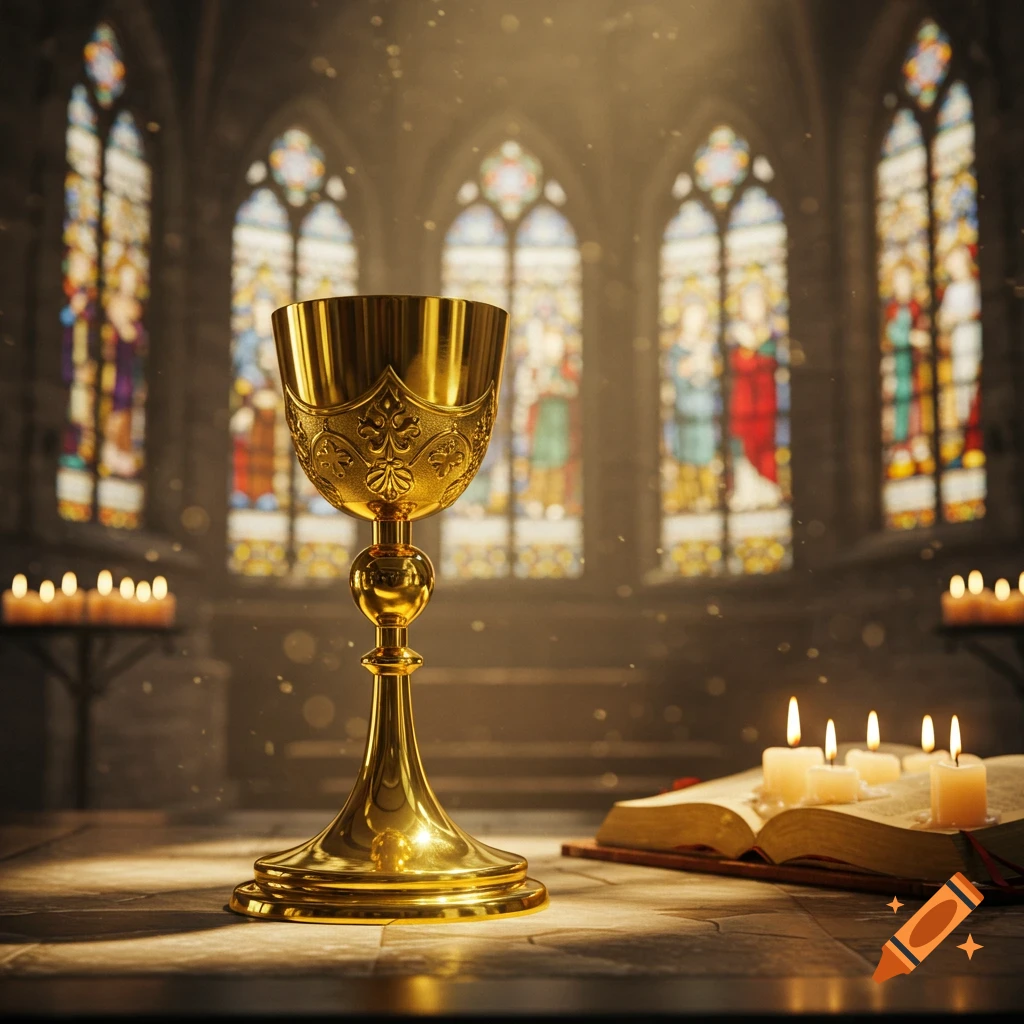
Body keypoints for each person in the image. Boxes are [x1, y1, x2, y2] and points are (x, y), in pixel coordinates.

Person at [727, 275, 783, 511]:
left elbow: (771, 361)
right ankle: (745, 491)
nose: (753, 309)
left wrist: (753, 352)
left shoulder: (771, 336)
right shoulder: (736, 337)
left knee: (765, 443)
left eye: (758, 304)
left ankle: (768, 489)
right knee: (742, 444)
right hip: (743, 401)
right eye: (748, 304)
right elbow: (736, 363)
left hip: (765, 400)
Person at [664, 291, 718, 513]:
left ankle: (707, 497)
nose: (694, 321)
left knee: (704, 452)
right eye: (690, 316)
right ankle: (687, 498)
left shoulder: (708, 346)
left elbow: (715, 377)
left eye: (699, 316)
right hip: (685, 408)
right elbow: (676, 376)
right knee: (685, 453)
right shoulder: (676, 348)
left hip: (704, 408)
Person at [883, 260, 931, 478]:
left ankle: (918, 445)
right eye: (898, 281)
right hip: (896, 367)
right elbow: (889, 334)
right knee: (899, 405)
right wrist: (910, 337)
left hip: (916, 367)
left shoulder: (917, 307)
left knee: (918, 404)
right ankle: (900, 447)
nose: (903, 286)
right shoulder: (890, 310)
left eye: (906, 281)